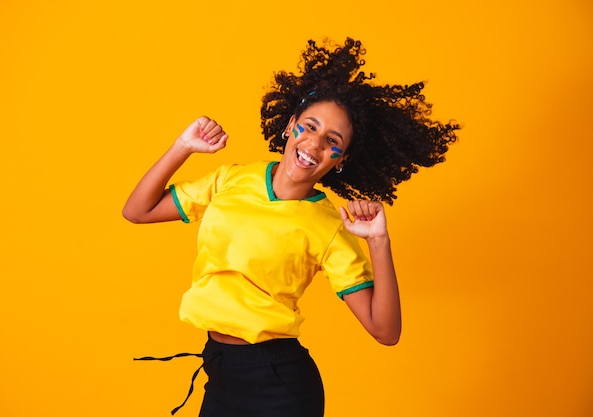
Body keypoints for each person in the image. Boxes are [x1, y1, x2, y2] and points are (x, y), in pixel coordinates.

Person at [123, 38, 459, 417]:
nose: (314, 145)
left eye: (332, 141)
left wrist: (379, 241)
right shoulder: (232, 179)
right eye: (309, 127)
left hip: (277, 384)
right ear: (289, 126)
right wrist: (182, 146)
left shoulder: (330, 225)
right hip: (219, 369)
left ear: (342, 160)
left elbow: (386, 331)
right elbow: (137, 211)